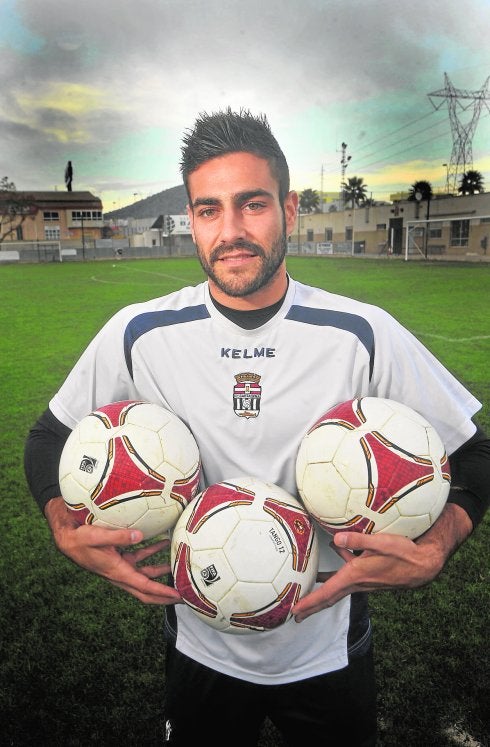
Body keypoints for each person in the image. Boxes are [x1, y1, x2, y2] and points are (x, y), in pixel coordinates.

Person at [25, 108, 489, 746]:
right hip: (198, 643)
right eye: (209, 210)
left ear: (288, 209)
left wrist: (438, 544)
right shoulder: (140, 333)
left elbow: (474, 454)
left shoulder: (361, 332)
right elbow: (48, 439)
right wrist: (63, 527)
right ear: (191, 220)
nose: (232, 231)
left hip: (328, 647)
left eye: (252, 204)